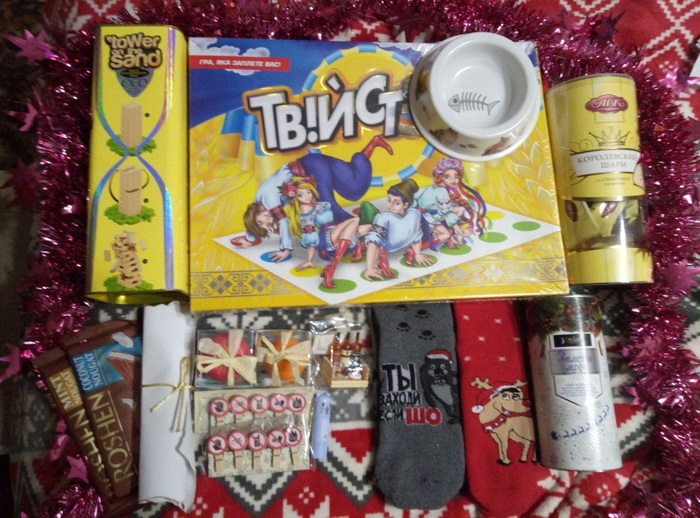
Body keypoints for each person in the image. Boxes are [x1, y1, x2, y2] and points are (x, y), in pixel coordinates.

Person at [230, 135, 392, 261]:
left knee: (331, 208)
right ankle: (373, 143)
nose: (268, 221)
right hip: (314, 162)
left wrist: (285, 250)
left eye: (262, 221)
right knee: (354, 188)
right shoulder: (260, 203)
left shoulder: (268, 198)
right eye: (266, 225)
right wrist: (249, 238)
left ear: (256, 210)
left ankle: (370, 231)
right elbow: (255, 221)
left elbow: (283, 222)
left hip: (309, 167)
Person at [282, 176, 368, 288]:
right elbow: (309, 233)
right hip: (326, 238)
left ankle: (358, 246)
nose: (307, 196)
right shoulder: (305, 209)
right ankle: (332, 267)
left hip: (335, 235)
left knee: (369, 227)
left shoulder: (316, 205)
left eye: (308, 192)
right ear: (295, 198)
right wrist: (309, 260)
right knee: (355, 220)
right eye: (301, 195)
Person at [363, 178, 434, 281]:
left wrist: (418, 254)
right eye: (389, 200)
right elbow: (373, 242)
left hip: (385, 240)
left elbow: (417, 236)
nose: (390, 206)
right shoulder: (382, 218)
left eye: (396, 203)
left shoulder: (415, 214)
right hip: (372, 240)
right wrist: (369, 268)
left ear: (405, 205)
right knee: (366, 214)